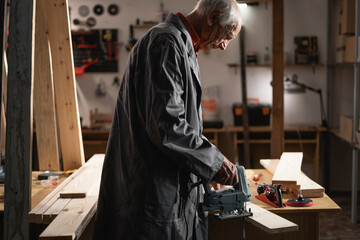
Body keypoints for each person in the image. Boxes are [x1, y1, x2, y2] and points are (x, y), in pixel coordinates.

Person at [93, 0, 242, 239]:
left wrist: (204, 171)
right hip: (153, 191)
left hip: (166, 186)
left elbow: (182, 124)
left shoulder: (183, 45)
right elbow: (168, 126)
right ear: (212, 17)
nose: (224, 46)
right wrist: (216, 163)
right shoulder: (166, 43)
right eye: (226, 35)